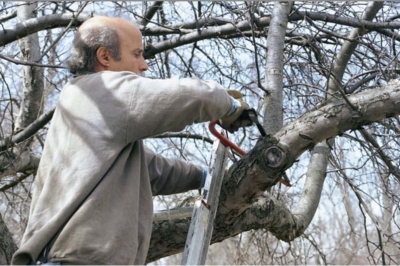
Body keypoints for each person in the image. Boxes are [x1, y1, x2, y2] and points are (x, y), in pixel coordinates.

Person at [12, 16, 250, 265]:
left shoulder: (87, 105)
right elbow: (194, 96)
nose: (144, 65)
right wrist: (233, 108)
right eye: (136, 54)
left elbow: (150, 170)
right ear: (105, 57)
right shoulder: (99, 90)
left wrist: (204, 175)